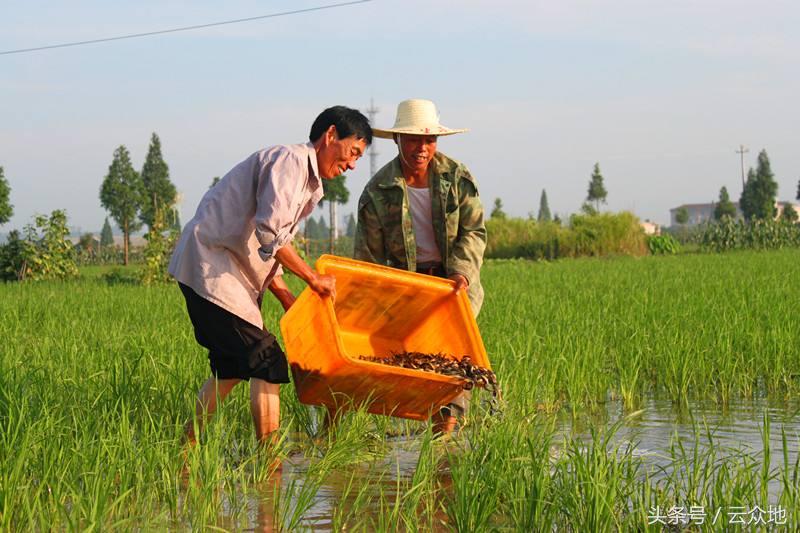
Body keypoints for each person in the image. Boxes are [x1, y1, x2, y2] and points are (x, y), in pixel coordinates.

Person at [170, 105, 372, 447]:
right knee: (268, 361)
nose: (352, 164)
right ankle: (269, 459)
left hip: (219, 269)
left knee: (231, 367)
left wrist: (286, 297)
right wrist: (312, 278)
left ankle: (186, 447)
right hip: (212, 267)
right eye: (353, 152)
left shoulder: (305, 180)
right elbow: (271, 232)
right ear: (331, 135)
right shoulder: (290, 162)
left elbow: (269, 245)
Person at [353, 98, 486, 434]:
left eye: (429, 140)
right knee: (418, 364)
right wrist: (375, 305)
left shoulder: (457, 177)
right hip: (408, 288)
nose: (422, 148)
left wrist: (461, 272)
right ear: (398, 140)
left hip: (454, 284)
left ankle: (447, 434)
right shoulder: (378, 190)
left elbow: (474, 231)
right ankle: (428, 430)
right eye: (413, 140)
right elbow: (368, 256)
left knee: (454, 358)